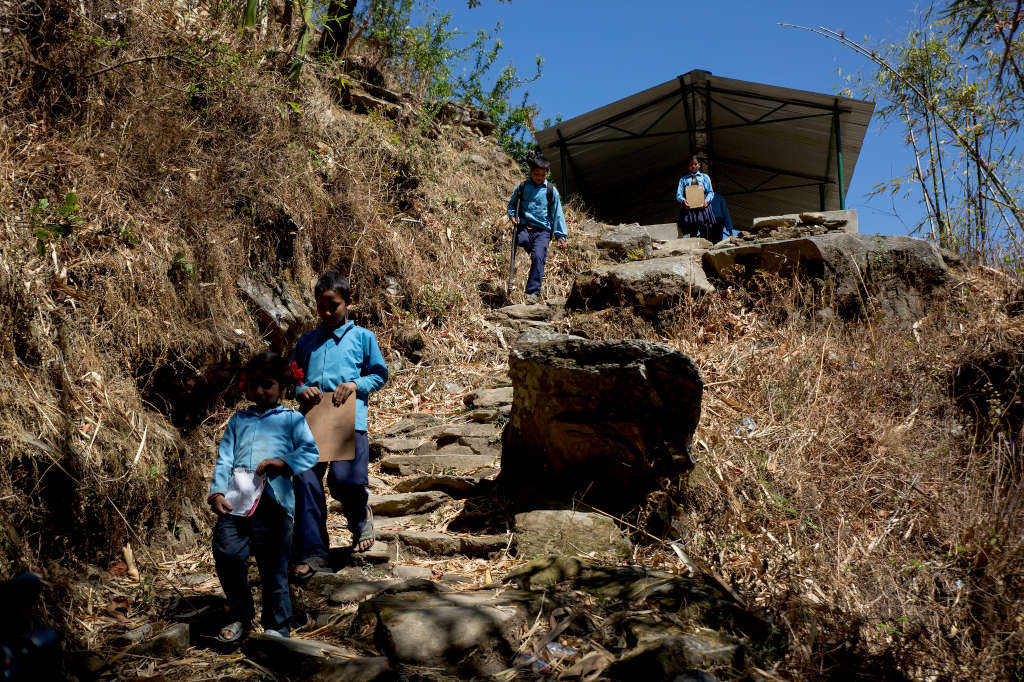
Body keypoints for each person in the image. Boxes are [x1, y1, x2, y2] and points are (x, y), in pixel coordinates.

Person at [208, 352, 320, 643]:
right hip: (236, 503)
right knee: (227, 554)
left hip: (275, 503)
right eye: (254, 385)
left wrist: (283, 463)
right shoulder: (238, 420)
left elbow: (310, 452)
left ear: (282, 386)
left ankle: (277, 628)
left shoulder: (292, 419)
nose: (260, 391)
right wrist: (217, 491)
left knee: (274, 567)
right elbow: (224, 459)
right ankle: (241, 616)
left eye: (267, 385)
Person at [290, 269, 388, 579]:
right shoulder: (307, 342)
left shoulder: (362, 338)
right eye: (321, 306)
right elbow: (293, 376)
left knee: (346, 480)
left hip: (349, 419)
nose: (328, 312)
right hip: (313, 421)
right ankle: (314, 550)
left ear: (348, 303)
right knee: (305, 481)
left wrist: (356, 385)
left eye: (334, 305)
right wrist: (300, 389)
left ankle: (360, 520)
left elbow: (379, 374)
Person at [506, 156, 568, 304]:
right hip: (524, 228)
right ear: (530, 172)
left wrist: (560, 235)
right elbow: (512, 205)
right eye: (536, 174)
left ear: (546, 173)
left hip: (543, 231)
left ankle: (533, 293)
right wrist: (513, 216)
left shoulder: (551, 191)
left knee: (538, 257)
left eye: (543, 175)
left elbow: (557, 214)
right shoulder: (522, 187)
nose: (539, 177)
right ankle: (535, 252)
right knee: (520, 240)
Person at [676, 156, 717, 241]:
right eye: (691, 164)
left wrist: (706, 201)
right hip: (689, 207)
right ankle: (693, 249)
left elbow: (710, 192)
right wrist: (683, 201)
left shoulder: (705, 177)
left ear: (699, 165)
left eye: (695, 164)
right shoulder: (683, 179)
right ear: (688, 166)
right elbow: (678, 194)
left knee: (704, 226)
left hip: (703, 206)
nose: (693, 166)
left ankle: (706, 246)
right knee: (690, 229)